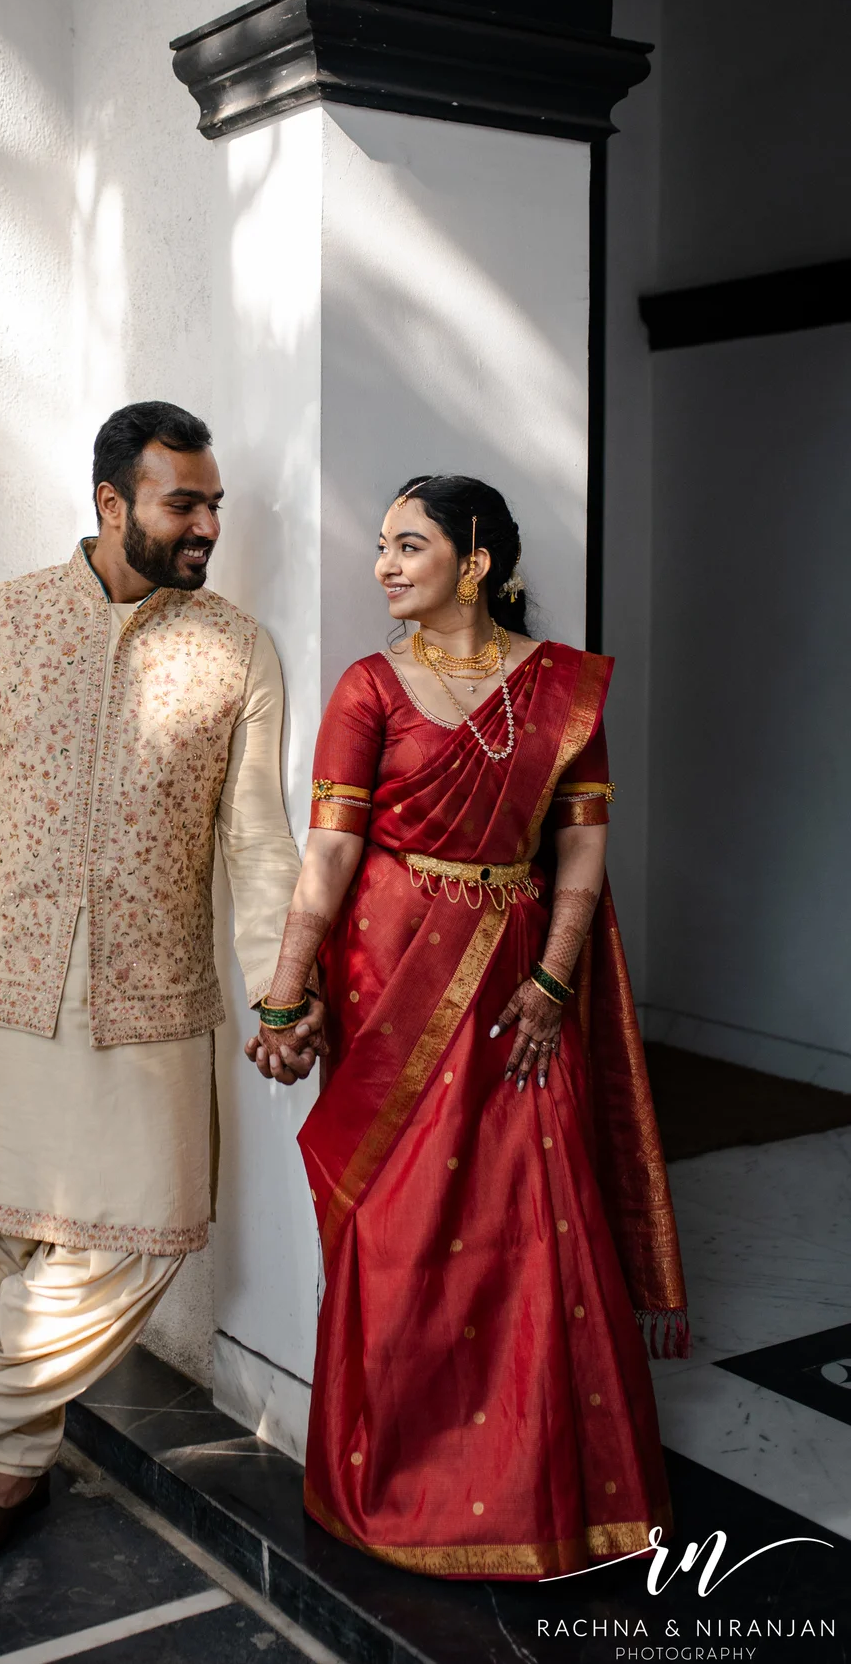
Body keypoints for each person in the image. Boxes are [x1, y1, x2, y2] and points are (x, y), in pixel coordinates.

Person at [0, 402, 312, 1570]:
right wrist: (31, 830)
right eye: (187, 502)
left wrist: (281, 988)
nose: (209, 524)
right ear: (113, 503)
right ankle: (12, 1474)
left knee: (142, 1231)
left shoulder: (235, 648)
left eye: (216, 503)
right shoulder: (5, 619)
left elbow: (258, 842)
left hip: (150, 996)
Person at [246, 473, 688, 1581]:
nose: (385, 564)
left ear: (476, 561)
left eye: (409, 545)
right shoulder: (367, 690)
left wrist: (551, 980)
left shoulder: (561, 693)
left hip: (518, 980)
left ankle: (548, 1488)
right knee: (396, 1223)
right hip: (391, 973)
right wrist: (286, 993)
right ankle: (396, 1477)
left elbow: (579, 846)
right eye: (383, 547)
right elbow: (331, 855)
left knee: (529, 1217)